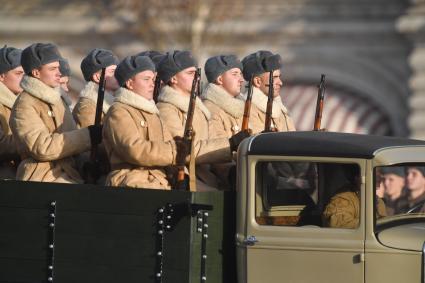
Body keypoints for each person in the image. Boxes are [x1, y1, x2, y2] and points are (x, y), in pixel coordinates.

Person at [156, 50, 249, 190]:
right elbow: (182, 153)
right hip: (188, 180)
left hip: (208, 178)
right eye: (190, 73)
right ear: (173, 78)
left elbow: (213, 147)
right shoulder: (167, 110)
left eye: (196, 73)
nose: (197, 78)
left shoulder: (199, 109)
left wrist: (230, 172)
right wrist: (230, 144)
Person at [10, 43, 102, 183]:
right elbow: (42, 147)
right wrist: (88, 135)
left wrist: (85, 164)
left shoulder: (58, 100)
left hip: (70, 174)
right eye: (53, 69)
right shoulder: (24, 105)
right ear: (36, 73)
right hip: (42, 179)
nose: (59, 73)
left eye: (58, 68)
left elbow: (73, 149)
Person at [103, 55, 183, 189]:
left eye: (153, 79)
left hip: (158, 179)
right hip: (130, 180)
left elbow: (169, 143)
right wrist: (176, 151)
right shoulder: (119, 111)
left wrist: (180, 173)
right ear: (129, 83)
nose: (152, 83)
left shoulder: (153, 112)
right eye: (146, 79)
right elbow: (134, 149)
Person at [202, 55, 248, 189]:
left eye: (240, 74)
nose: (241, 79)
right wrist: (235, 175)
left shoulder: (240, 107)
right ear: (220, 79)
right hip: (228, 183)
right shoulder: (211, 109)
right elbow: (216, 156)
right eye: (235, 74)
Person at [241, 50, 295, 133]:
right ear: (257, 82)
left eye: (279, 77)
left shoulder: (279, 109)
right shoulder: (248, 111)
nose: (280, 83)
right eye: (275, 77)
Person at [73, 48, 119, 128]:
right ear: (97, 77)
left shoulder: (115, 99)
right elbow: (88, 138)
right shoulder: (88, 107)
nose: (118, 74)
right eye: (112, 71)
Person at [0, 46, 24, 179]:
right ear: (2, 76)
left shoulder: (17, 101)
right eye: (18, 73)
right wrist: (32, 142)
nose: (23, 78)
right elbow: (1, 145)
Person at [322, 164, 360, 229]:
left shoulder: (373, 198)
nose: (379, 178)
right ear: (357, 178)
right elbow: (339, 224)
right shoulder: (342, 200)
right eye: (375, 173)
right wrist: (372, 224)